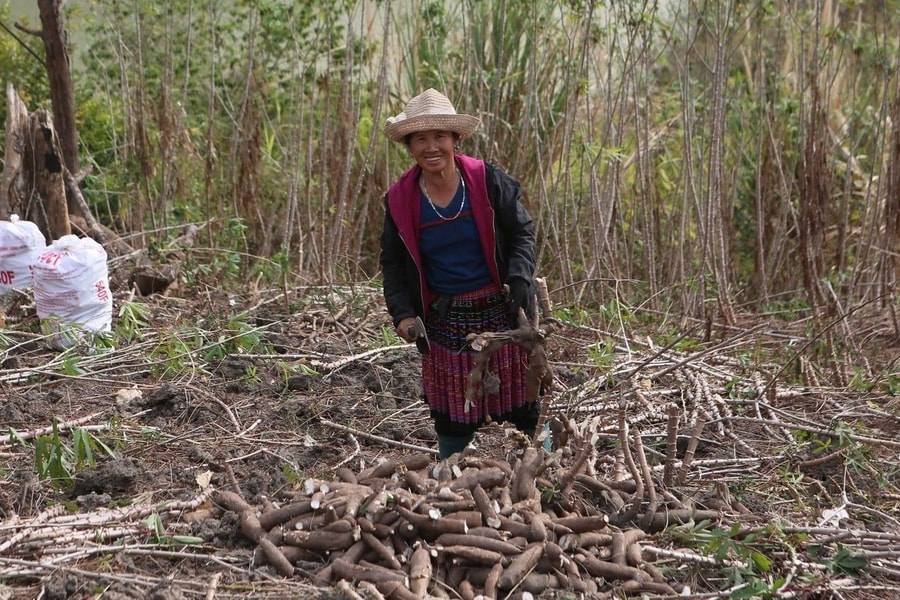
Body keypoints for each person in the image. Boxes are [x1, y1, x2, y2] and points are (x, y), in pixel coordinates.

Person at [379, 88, 539, 459]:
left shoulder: (486, 180)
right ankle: (448, 475)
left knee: (523, 407)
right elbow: (391, 262)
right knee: (452, 417)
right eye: (420, 139)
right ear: (409, 146)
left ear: (456, 140)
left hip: (503, 311)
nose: (431, 147)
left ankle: (537, 469)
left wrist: (519, 276)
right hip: (446, 320)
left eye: (439, 136)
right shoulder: (401, 199)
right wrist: (402, 314)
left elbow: (522, 231)